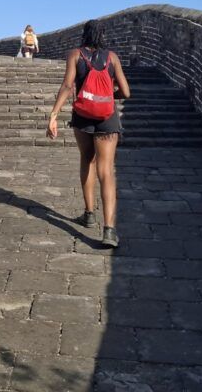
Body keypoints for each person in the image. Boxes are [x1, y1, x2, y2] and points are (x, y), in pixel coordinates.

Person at [46, 19, 130, 248]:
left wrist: (53, 115)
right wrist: (107, 96)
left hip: (82, 116)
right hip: (107, 118)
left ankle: (89, 213)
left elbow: (66, 86)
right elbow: (126, 91)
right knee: (107, 171)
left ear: (84, 34)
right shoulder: (112, 58)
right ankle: (110, 230)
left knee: (87, 159)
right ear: (103, 35)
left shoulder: (74, 54)